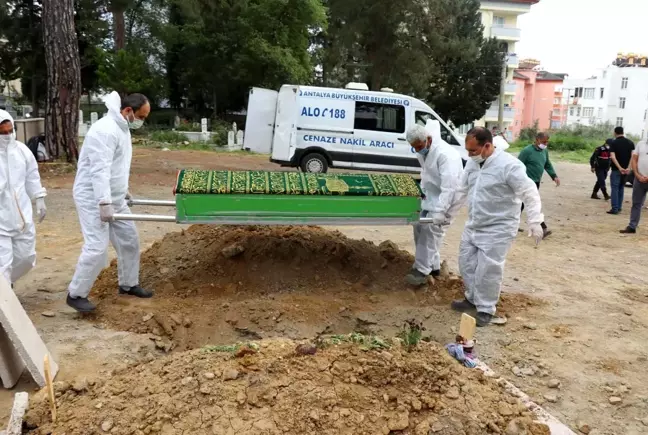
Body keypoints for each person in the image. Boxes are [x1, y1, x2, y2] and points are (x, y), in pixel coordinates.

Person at [447, 127, 544, 327]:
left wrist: (535, 220)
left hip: (498, 227)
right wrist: (446, 214)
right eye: (467, 150)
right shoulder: (473, 164)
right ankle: (471, 298)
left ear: (488, 146)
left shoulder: (509, 166)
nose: (469, 154)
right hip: (474, 224)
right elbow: (461, 191)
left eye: (473, 150)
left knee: (488, 270)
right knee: (467, 263)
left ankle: (485, 309)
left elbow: (529, 191)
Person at [66, 92, 152, 312]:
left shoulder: (122, 129)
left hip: (113, 196)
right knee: (97, 247)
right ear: (127, 111)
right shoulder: (105, 131)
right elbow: (99, 170)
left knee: (129, 241)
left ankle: (128, 284)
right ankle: (76, 294)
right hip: (93, 197)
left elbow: (117, 167)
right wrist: (104, 202)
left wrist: (122, 191)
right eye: (141, 117)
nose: (142, 122)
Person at [405, 120, 463, 286]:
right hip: (432, 194)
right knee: (419, 225)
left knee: (432, 230)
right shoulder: (423, 151)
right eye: (414, 147)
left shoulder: (445, 155)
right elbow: (426, 175)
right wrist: (421, 194)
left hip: (450, 197)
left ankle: (421, 271)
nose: (417, 150)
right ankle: (434, 266)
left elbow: (449, 188)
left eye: (418, 146)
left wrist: (440, 211)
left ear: (428, 140)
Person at [0, 110, 47, 287]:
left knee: (26, 258)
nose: (7, 135)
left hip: (22, 216)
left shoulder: (22, 151)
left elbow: (32, 176)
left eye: (9, 131)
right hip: (1, 218)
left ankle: (5, 285)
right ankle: (5, 302)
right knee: (2, 265)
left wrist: (39, 197)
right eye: (2, 132)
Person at [517, 132, 560, 238]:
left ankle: (512, 224)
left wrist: (554, 176)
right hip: (526, 183)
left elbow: (547, 164)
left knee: (521, 204)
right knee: (533, 204)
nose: (545, 144)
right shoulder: (527, 151)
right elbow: (517, 165)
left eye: (547, 142)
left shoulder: (544, 151)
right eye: (543, 141)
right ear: (537, 140)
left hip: (536, 182)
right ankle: (542, 228)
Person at [620, 140, 648, 234]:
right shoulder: (641, 144)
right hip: (639, 179)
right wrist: (637, 174)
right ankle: (632, 226)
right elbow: (634, 159)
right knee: (636, 203)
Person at [608, 127, 635, 215]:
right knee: (621, 188)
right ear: (623, 132)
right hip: (626, 170)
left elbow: (613, 156)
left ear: (615, 132)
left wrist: (619, 168)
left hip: (616, 170)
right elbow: (632, 156)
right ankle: (619, 207)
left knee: (615, 188)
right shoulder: (630, 142)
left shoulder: (613, 143)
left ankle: (614, 208)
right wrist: (628, 168)